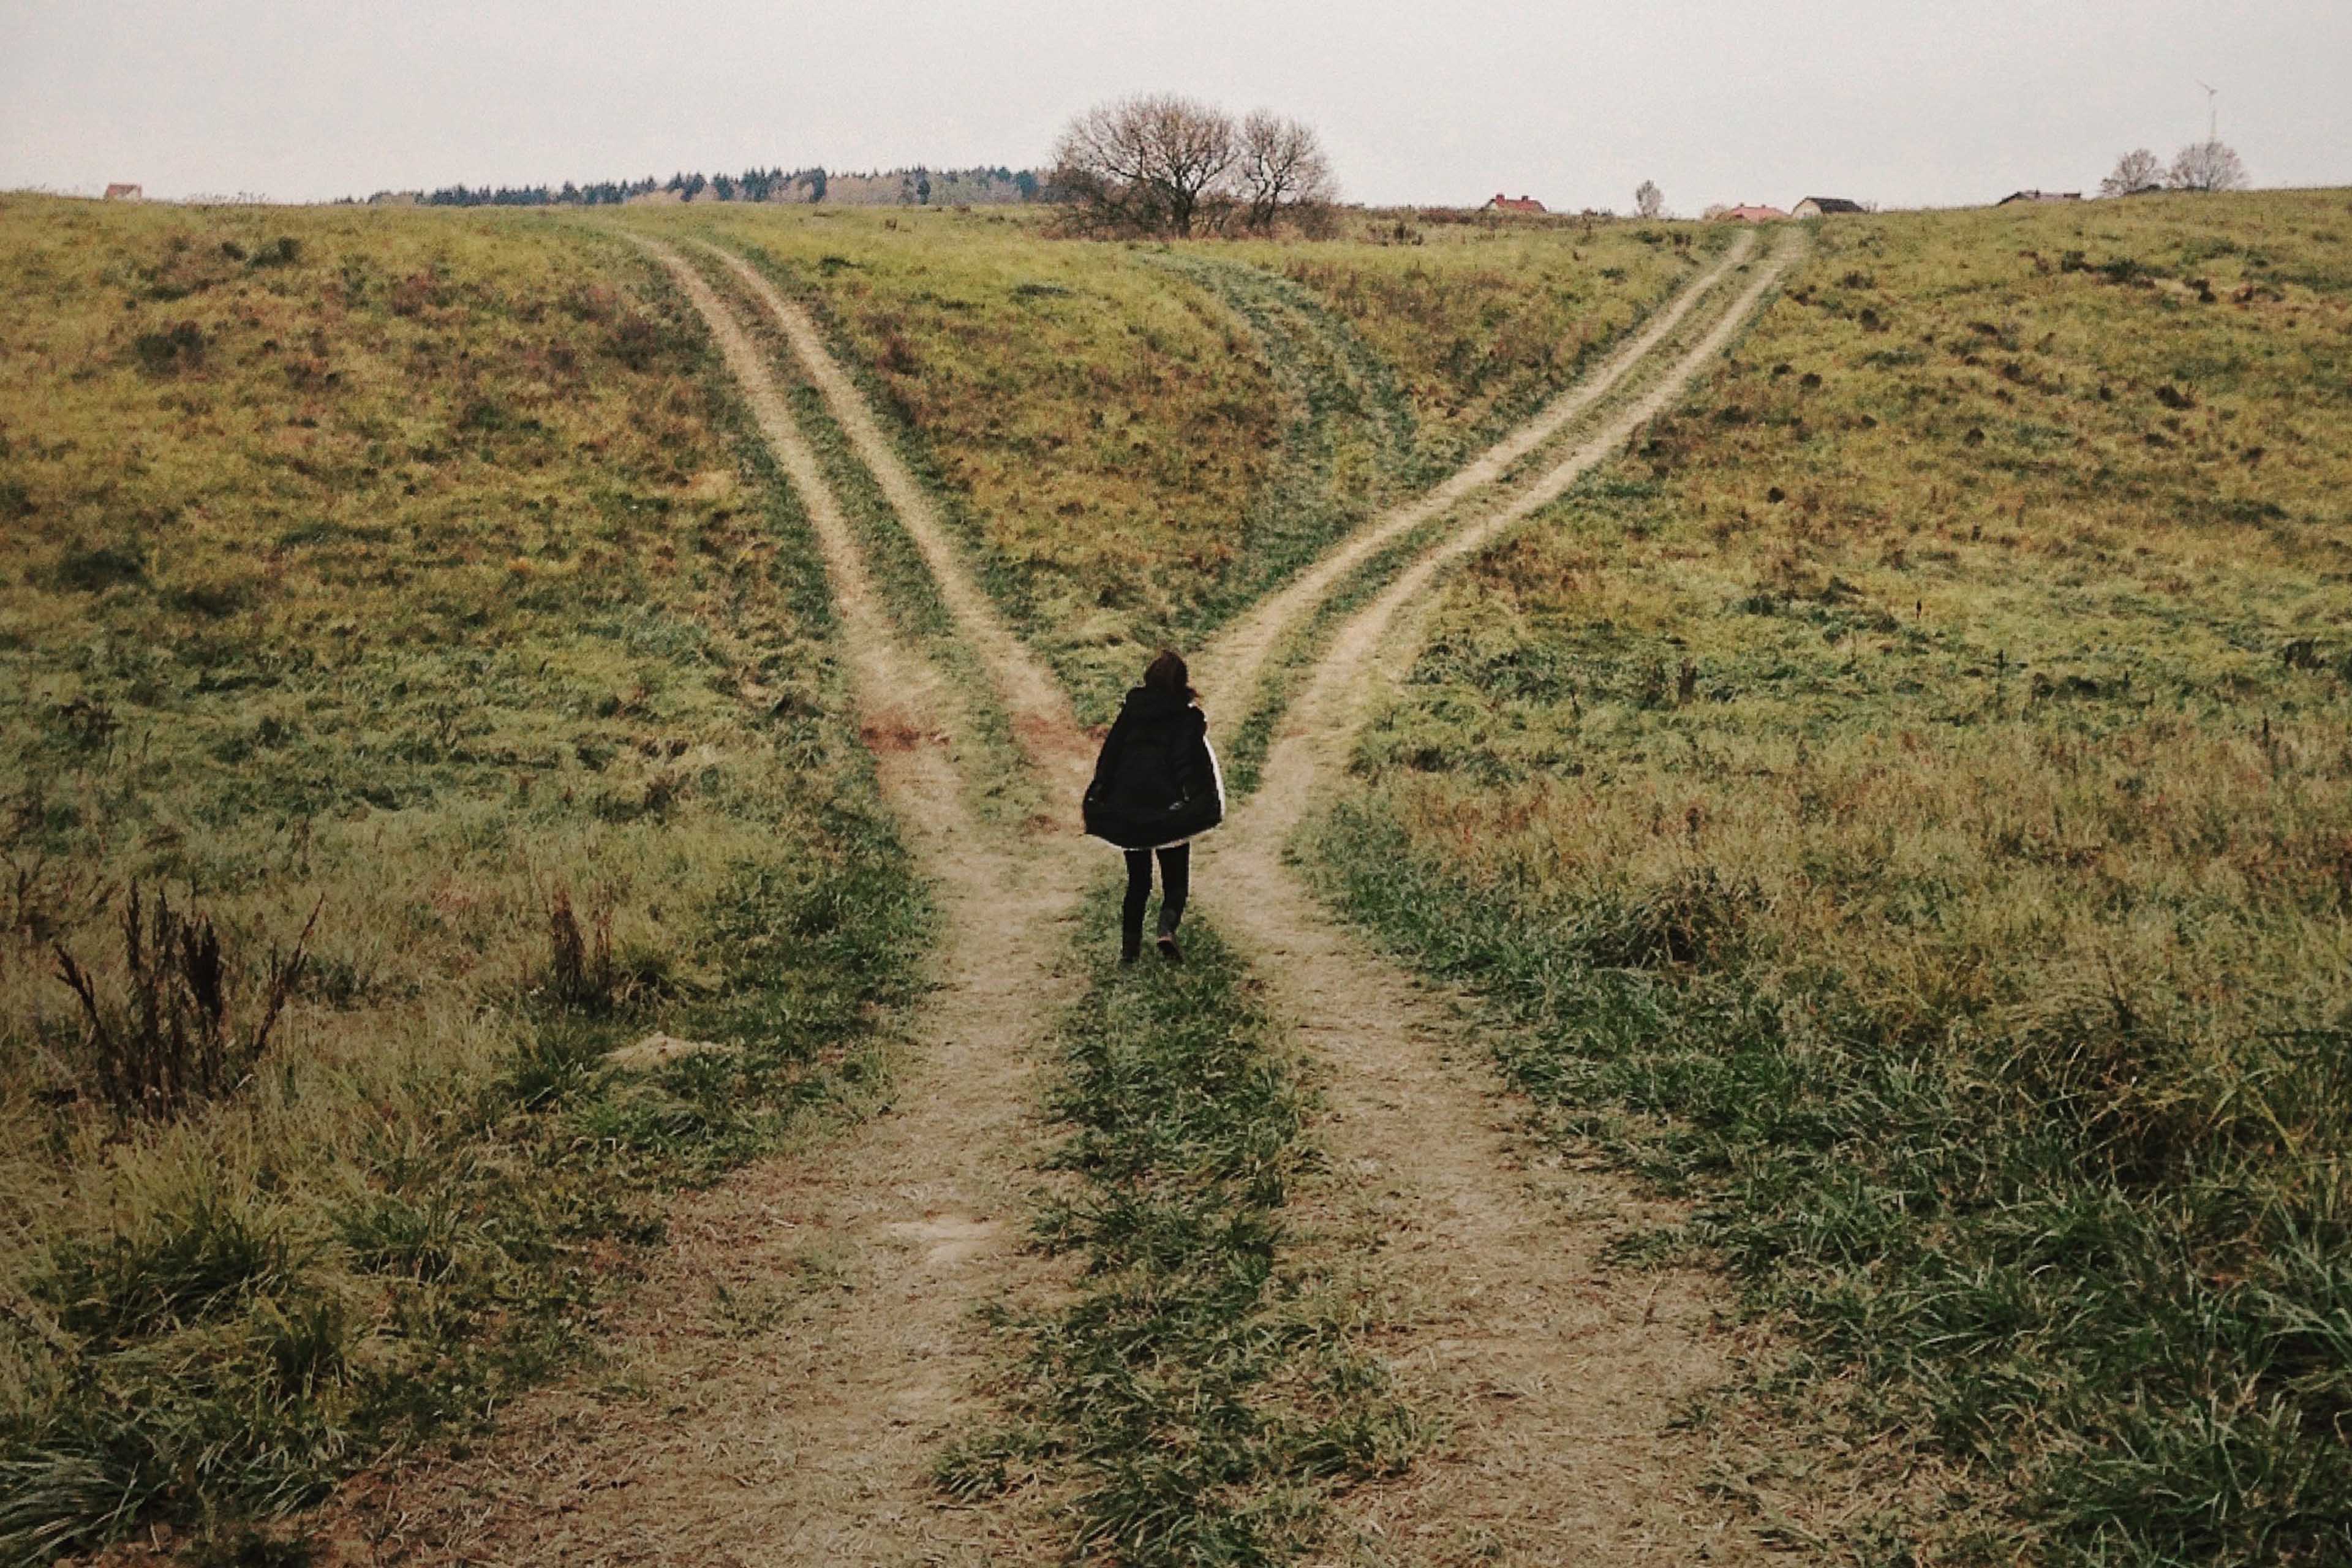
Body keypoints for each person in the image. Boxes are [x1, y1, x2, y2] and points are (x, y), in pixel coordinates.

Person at [1082, 649, 1224, 963]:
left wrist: (1100, 794)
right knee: (1176, 882)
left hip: (1128, 809)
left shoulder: (1130, 714)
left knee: (1138, 883)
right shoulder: (1187, 719)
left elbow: (1109, 757)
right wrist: (1196, 802)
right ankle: (1165, 930)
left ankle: (1129, 954)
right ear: (1182, 682)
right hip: (1168, 811)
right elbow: (1192, 764)